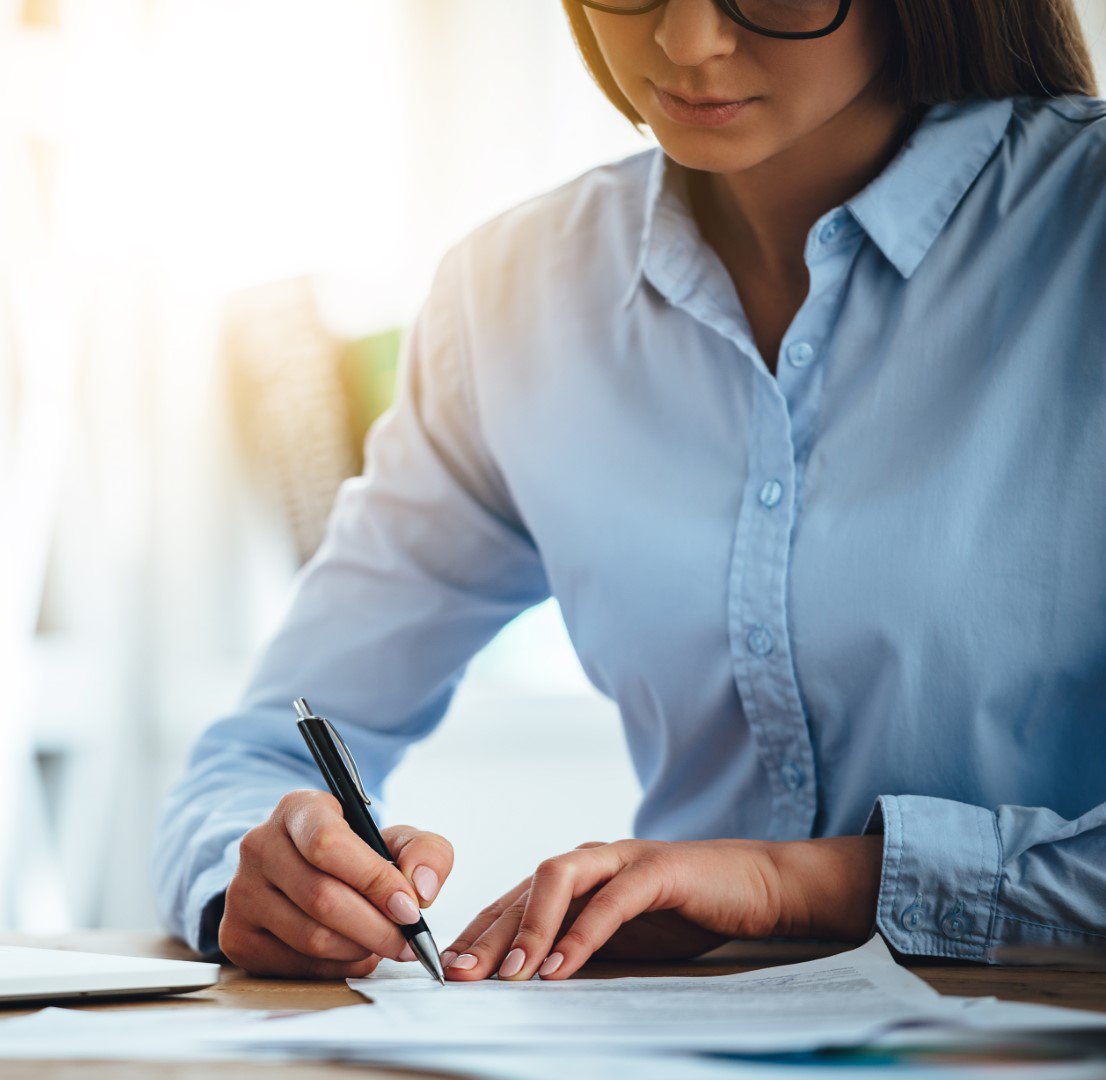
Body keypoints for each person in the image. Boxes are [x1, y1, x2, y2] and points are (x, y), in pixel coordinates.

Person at [153, 0, 1105, 981]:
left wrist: (804, 886)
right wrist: (265, 875)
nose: (688, 43)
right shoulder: (514, 293)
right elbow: (259, 758)